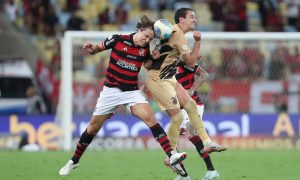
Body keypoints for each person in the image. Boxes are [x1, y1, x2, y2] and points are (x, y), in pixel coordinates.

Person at [59, 15, 187, 177]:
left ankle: (171, 155)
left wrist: (155, 58)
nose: (146, 40)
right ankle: (74, 161)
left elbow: (148, 66)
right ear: (139, 30)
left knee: (151, 119)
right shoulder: (118, 39)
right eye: (145, 36)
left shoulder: (145, 50)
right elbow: (97, 49)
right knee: (92, 128)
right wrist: (91, 47)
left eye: (150, 38)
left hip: (131, 92)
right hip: (111, 91)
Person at [145, 8, 226, 179]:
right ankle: (173, 155)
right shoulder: (178, 33)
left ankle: (207, 142)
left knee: (190, 105)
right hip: (160, 80)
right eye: (192, 17)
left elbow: (158, 59)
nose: (195, 20)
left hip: (168, 78)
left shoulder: (170, 32)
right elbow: (190, 60)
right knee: (178, 119)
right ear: (182, 19)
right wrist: (197, 42)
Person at [176, 60, 219, 180]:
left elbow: (204, 75)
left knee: (190, 135)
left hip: (193, 104)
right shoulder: (164, 65)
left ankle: (210, 171)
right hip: (179, 107)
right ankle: (184, 174)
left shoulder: (183, 63)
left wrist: (192, 89)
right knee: (174, 138)